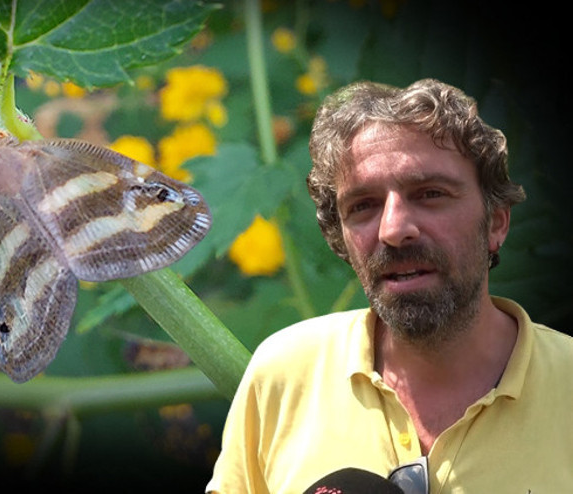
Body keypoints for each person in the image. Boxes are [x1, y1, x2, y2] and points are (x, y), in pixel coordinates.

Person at [206, 79, 573, 493]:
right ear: (339, 234)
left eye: (430, 194)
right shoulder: (283, 374)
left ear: (496, 221)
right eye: (363, 205)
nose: (394, 230)